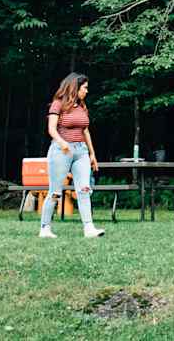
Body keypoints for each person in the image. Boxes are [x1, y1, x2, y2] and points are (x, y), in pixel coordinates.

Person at [39, 72, 106, 238]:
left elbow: (85, 130)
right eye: (84, 88)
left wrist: (92, 153)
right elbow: (51, 129)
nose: (86, 91)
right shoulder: (58, 104)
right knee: (55, 192)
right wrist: (62, 143)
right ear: (75, 88)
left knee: (84, 189)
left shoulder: (82, 106)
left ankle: (89, 228)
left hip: (81, 151)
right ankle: (45, 228)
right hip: (61, 151)